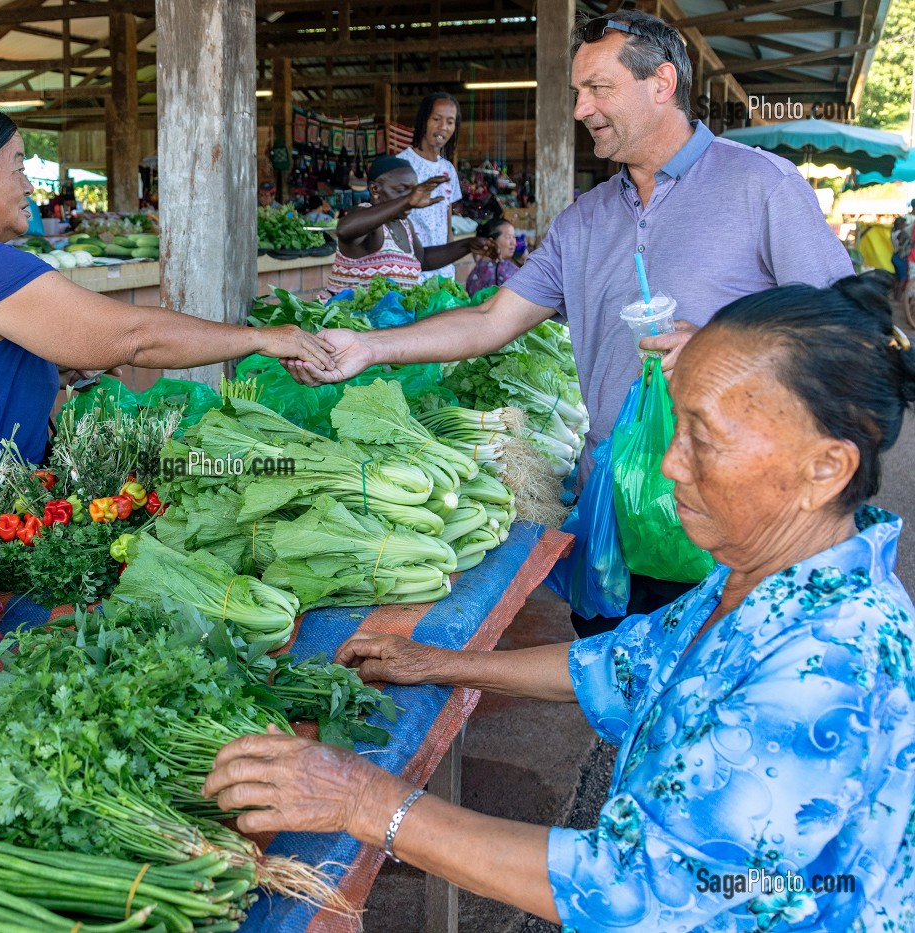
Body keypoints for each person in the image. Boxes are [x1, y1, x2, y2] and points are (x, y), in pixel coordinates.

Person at [206, 273, 915, 932]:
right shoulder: (769, 581)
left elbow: (641, 884)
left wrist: (366, 799)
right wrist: (440, 662)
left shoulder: (834, 659)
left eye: (705, 439)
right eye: (678, 427)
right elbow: (624, 662)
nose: (670, 462)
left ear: (826, 467)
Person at [287, 9, 853, 636]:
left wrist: (727, 348)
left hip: (735, 512)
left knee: (718, 697)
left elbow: (841, 327)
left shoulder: (761, 185)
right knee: (614, 679)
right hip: (617, 510)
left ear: (661, 83)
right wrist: (369, 346)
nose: (581, 109)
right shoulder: (585, 220)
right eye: (578, 92)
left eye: (598, 89)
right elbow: (491, 319)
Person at [0, 96, 332, 576]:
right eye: (17, 168)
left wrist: (44, 372)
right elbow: (134, 337)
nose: (30, 185)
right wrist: (261, 338)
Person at [324, 156, 487, 296]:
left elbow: (422, 260)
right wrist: (406, 202)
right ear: (375, 189)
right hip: (348, 326)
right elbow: (344, 230)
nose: (412, 198)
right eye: (402, 190)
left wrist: (468, 245)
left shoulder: (403, 223)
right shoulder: (365, 215)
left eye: (414, 191)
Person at [397, 93, 475, 282]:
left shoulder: (448, 170)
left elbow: (446, 222)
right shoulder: (402, 165)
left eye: (450, 121)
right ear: (424, 120)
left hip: (442, 272)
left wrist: (450, 268)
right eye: (436, 119)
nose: (443, 128)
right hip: (408, 271)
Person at [464, 217, 519, 293]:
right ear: (491, 242)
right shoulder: (504, 271)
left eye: (514, 237)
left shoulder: (476, 271)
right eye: (508, 237)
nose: (514, 243)